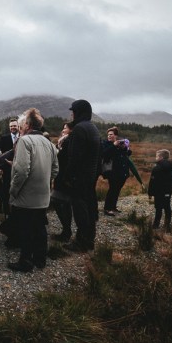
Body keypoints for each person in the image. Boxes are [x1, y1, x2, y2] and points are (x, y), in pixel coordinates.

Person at [7, 108, 58, 272]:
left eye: (21, 125)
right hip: (43, 196)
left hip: (25, 196)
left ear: (28, 125)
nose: (20, 128)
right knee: (40, 227)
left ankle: (25, 262)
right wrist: (45, 181)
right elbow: (55, 169)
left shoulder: (25, 141)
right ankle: (40, 259)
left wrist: (13, 190)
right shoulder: (49, 143)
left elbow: (22, 171)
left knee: (26, 229)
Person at [66, 99, 101, 251]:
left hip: (79, 177)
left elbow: (74, 157)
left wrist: (68, 176)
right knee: (89, 208)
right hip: (90, 176)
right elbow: (99, 155)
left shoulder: (79, 129)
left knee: (80, 211)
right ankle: (89, 240)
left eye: (73, 111)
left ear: (78, 112)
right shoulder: (93, 128)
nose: (72, 114)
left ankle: (81, 243)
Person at [51, 122, 75, 241]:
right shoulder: (64, 141)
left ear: (71, 130)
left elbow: (64, 159)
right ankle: (66, 230)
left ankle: (66, 231)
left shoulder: (68, 141)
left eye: (65, 128)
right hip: (62, 177)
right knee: (63, 203)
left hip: (64, 178)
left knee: (59, 202)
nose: (63, 130)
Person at [101, 126, 132, 216]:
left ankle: (113, 207)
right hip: (113, 172)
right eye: (108, 135)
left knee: (117, 190)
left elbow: (129, 153)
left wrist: (125, 147)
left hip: (123, 172)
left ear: (116, 136)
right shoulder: (106, 143)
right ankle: (107, 209)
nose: (109, 136)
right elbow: (104, 154)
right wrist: (114, 146)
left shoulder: (120, 144)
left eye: (111, 134)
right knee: (112, 189)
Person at [148, 149, 172, 232]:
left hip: (158, 192)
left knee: (158, 207)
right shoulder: (171, 166)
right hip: (167, 191)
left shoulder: (157, 167)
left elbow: (153, 181)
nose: (155, 158)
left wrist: (150, 193)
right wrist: (170, 190)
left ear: (161, 157)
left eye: (156, 156)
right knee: (167, 206)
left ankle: (156, 225)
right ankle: (167, 225)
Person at [0, 118, 19, 216]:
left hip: (19, 168)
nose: (12, 128)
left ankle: (17, 213)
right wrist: (1, 168)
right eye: (11, 126)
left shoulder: (23, 137)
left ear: (18, 126)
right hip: (7, 169)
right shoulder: (4, 138)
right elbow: (1, 155)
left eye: (14, 126)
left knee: (18, 191)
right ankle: (7, 213)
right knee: (6, 191)